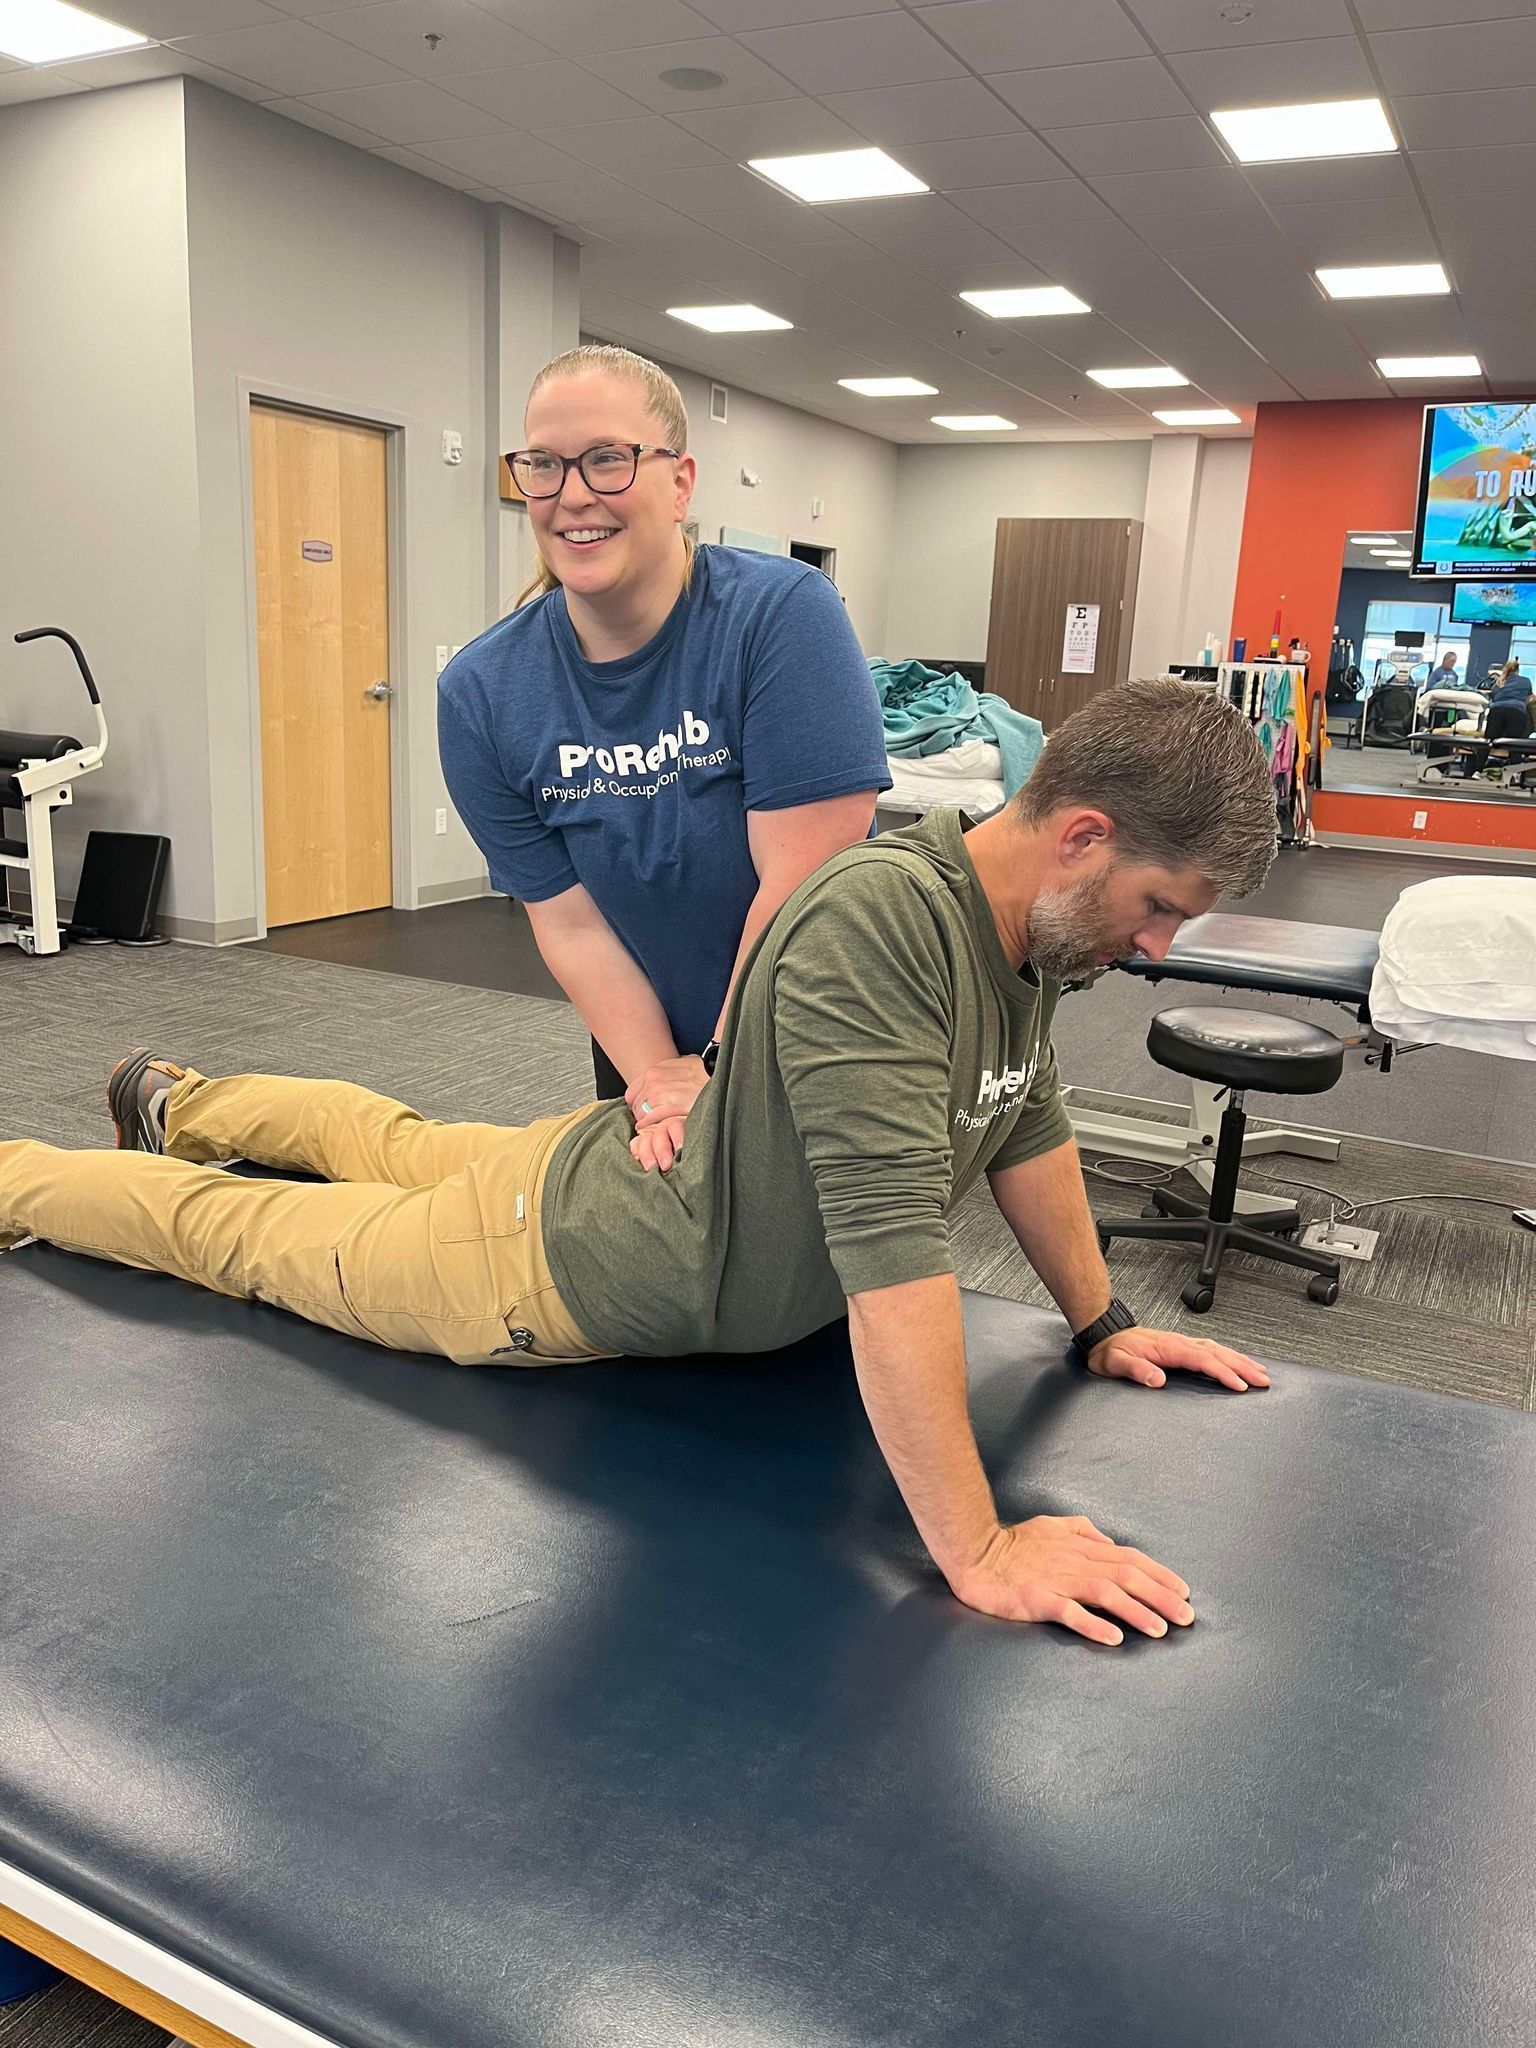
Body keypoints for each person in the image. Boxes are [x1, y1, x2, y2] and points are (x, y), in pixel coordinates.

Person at [3, 684, 1278, 1645]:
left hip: (615, 1164)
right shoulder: (890, 928)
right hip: (540, 1267)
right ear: (1082, 835)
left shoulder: (1027, 939)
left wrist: (1103, 1316)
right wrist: (984, 1549)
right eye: (1159, 904)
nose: (1159, 946)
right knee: (235, 1234)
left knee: (383, 1140)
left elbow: (1027, 1121)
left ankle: (176, 1094)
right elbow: (894, 1265)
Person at [438, 344, 890, 1174]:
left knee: (812, 1275)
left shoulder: (783, 618)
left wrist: (717, 1068)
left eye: (608, 459)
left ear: (681, 483)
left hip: (813, 1019)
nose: (572, 495)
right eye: (543, 464)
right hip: (642, 1037)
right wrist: (657, 1080)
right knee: (659, 1253)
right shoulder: (482, 693)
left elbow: (801, 888)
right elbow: (571, 924)